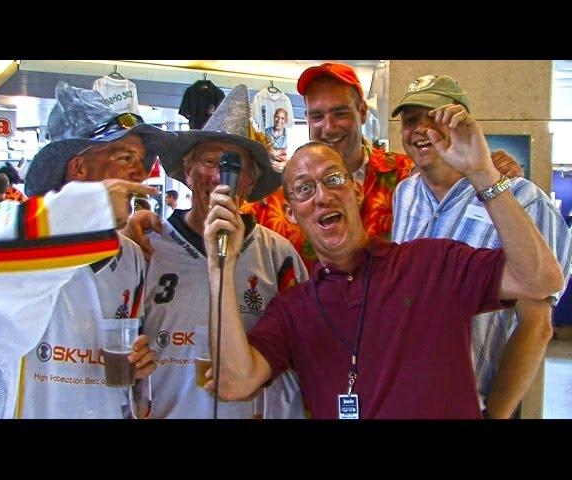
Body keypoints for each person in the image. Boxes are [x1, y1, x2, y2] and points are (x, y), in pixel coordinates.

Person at [203, 104, 564, 419]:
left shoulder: (430, 262)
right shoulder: (294, 310)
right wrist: (220, 269)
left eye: (333, 179)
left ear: (356, 191)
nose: (323, 196)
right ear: (292, 213)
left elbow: (541, 281)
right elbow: (235, 382)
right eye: (303, 189)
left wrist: (484, 175)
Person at [0, 82, 170, 418]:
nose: (142, 171)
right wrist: (91, 208)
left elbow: (125, 349)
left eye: (143, 160)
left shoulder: (131, 256)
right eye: (126, 157)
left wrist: (138, 365)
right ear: (78, 168)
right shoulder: (21, 242)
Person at [390, 74, 572, 419]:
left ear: (461, 122)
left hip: (476, 403)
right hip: (406, 398)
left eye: (434, 117)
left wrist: (497, 414)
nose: (421, 129)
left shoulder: (524, 201)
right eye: (411, 120)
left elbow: (538, 325)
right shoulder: (405, 194)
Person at [126, 85, 308, 418]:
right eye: (209, 162)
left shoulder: (278, 255)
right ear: (187, 171)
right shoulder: (149, 247)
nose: (220, 177)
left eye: (234, 167)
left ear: (251, 183)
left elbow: (303, 354)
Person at [241, 62, 521, 273]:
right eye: (317, 116)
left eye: (340, 113)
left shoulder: (405, 176)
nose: (328, 127)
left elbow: (455, 183)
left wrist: (488, 169)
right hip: (310, 340)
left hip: (392, 338)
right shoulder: (282, 194)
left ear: (362, 112)